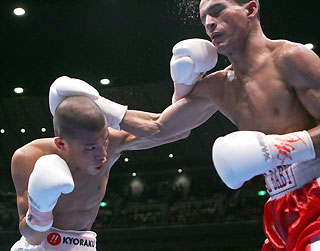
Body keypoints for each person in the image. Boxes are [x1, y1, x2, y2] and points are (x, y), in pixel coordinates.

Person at [118, 0, 320, 250]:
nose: (209, 24)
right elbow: (162, 126)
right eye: (204, 20)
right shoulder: (219, 85)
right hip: (278, 205)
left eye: (217, 11)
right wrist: (99, 107)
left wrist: (279, 148)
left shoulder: (291, 58)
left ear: (251, 9)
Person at [10, 77, 188, 251]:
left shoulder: (112, 142)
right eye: (90, 148)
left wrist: (185, 83)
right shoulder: (28, 157)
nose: (102, 155)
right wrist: (40, 208)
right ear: (61, 144)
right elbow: (33, 238)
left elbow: (177, 130)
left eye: (104, 143)